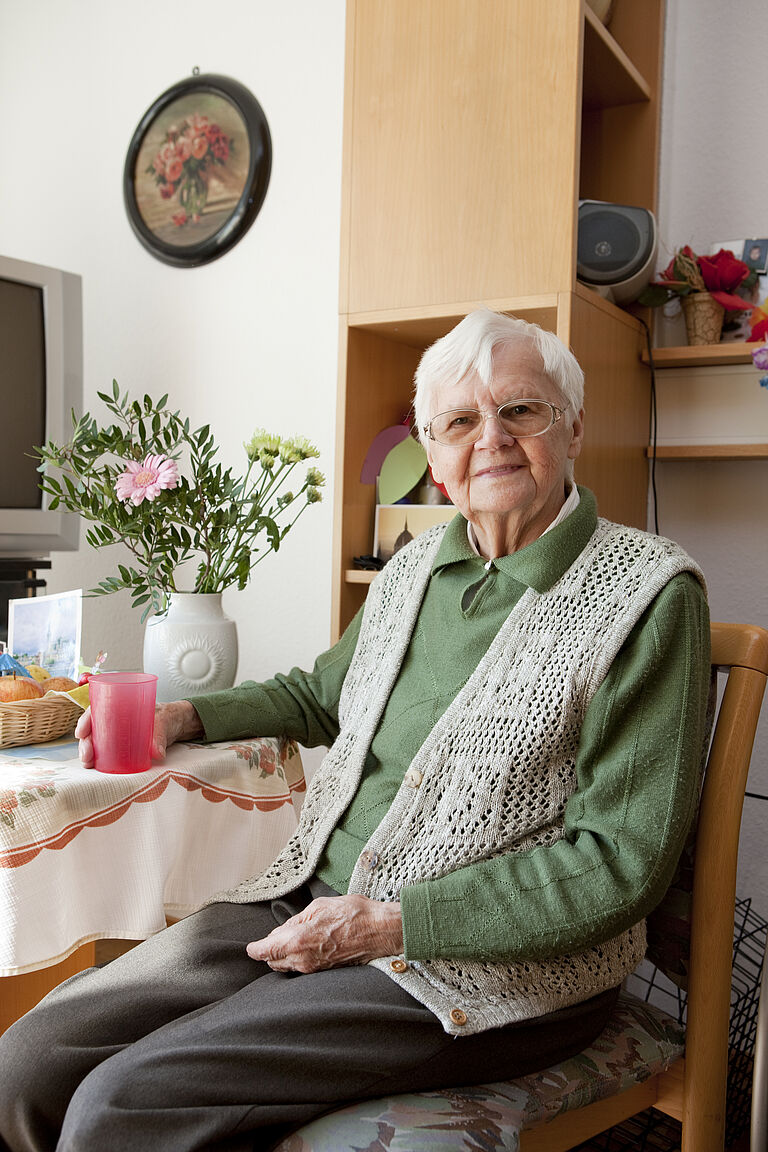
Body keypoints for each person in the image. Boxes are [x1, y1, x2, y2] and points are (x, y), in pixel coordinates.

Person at [0, 310, 711, 1152]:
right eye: (459, 421)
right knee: (27, 1059)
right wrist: (188, 715)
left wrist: (388, 922)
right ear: (434, 457)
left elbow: (616, 865)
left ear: (574, 426)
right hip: (307, 898)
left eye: (521, 410)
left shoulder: (649, 598)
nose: (492, 439)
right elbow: (324, 692)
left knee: (122, 1105)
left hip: (476, 967)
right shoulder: (413, 567)